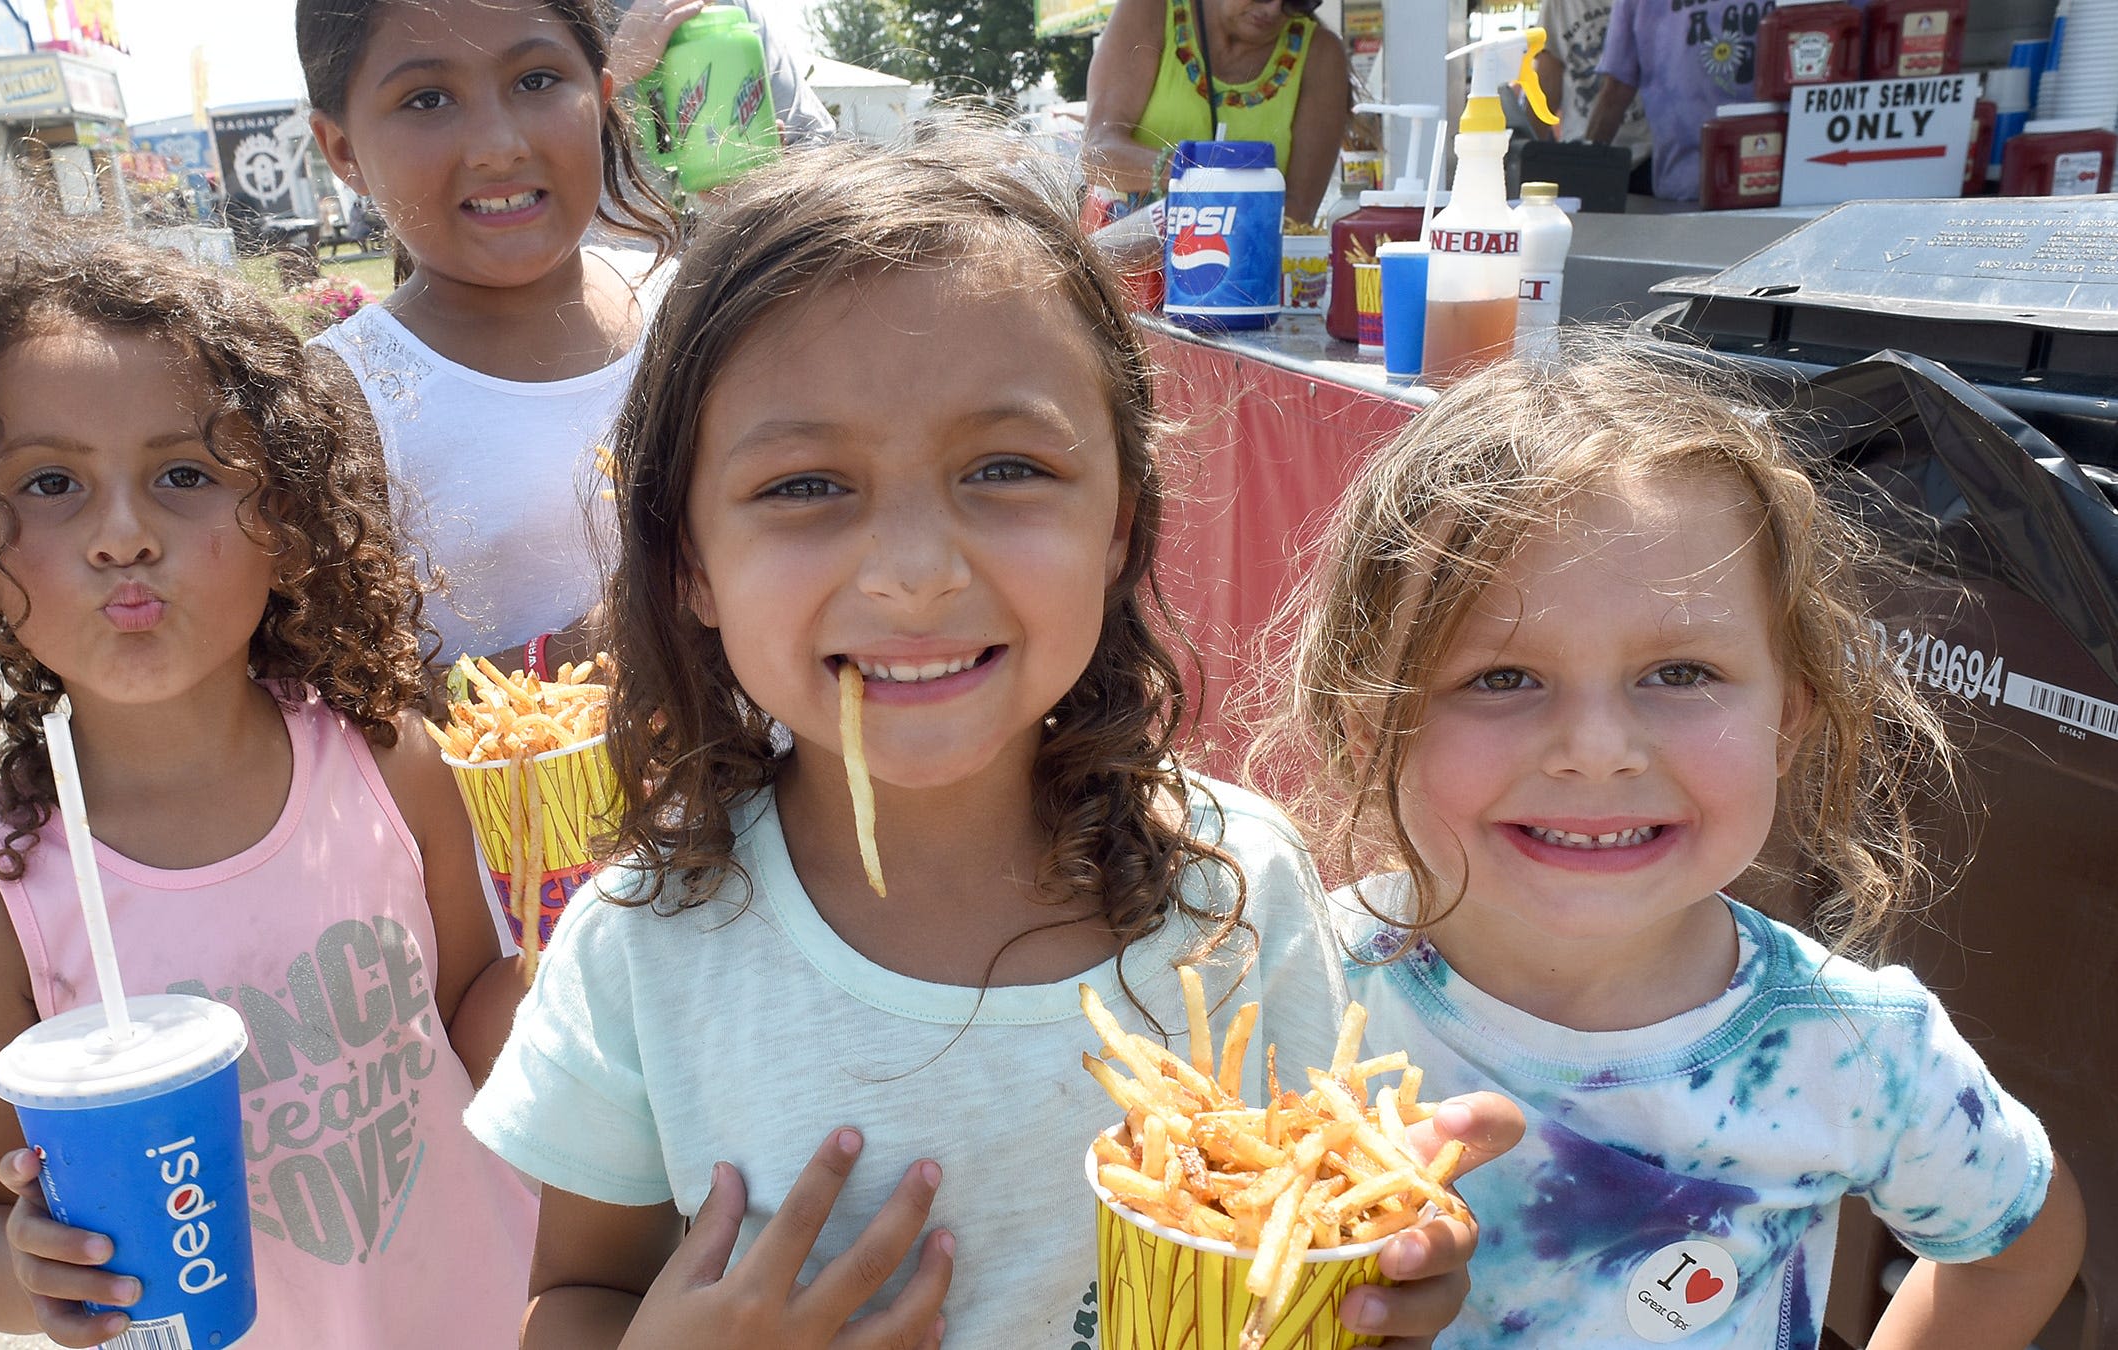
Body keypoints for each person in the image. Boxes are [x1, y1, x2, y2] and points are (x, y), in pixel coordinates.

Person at [462, 129, 1525, 1348]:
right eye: (805, 485)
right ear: (689, 560)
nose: (915, 575)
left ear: (1117, 525)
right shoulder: (644, 947)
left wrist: (1370, 1282)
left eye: (1006, 467)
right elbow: (579, 1293)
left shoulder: (1238, 893)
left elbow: (1297, 1227)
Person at [1261, 338, 2087, 1347]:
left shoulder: (1853, 1048)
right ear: (1364, 727)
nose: (1596, 751)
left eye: (1680, 673)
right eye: (1500, 678)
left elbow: (2018, 1244)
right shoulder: (1282, 991)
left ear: (1786, 720)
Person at [0, 213, 538, 1347]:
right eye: (52, 483)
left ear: (287, 518)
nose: (123, 534)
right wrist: (33, 1272)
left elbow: (472, 1018)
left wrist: (564, 953)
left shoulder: (386, 757)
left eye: (184, 472)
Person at [300, 0, 677, 689]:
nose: (497, 145)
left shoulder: (688, 308)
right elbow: (351, 708)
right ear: (342, 150)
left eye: (535, 81)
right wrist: (597, 645)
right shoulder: (342, 399)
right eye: (427, 98)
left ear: (599, 95)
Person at [1082, 0, 1352, 223]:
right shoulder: (1152, 7)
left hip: (1237, 277)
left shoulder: (1321, 54)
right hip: (1120, 271)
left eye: (1298, 1)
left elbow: (1296, 217)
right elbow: (1097, 154)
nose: (1273, 9)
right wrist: (1195, 169)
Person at [1590, 0, 1769, 201]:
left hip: (1700, 182)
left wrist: (1579, 180)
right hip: (1763, 178)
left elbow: (1615, 93)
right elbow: (1615, 92)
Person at [608, 0, 837, 144]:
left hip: (728, 220)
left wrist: (771, 182)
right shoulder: (574, 16)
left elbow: (812, 138)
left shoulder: (731, 9)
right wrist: (617, 68)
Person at [1531, 0, 1651, 184]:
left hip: (1649, 156)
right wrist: (1526, 157)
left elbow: (1617, 89)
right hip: (1579, 151)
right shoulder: (1559, 4)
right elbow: (1547, 85)